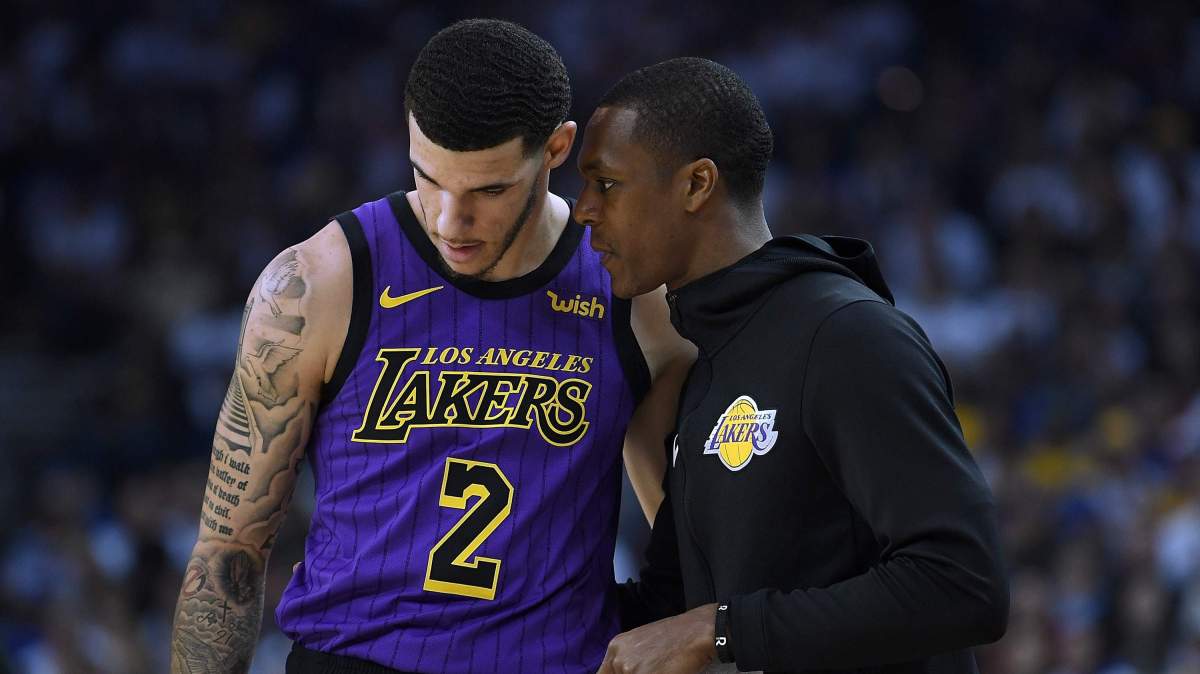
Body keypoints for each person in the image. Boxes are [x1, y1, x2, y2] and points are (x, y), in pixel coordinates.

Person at [168, 20, 692, 674]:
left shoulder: (635, 294)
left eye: (488, 190)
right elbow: (229, 554)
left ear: (557, 149)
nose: (451, 221)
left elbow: (684, 552)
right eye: (430, 179)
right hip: (354, 659)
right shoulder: (316, 284)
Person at [573, 57, 1009, 674]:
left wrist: (720, 630)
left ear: (697, 185)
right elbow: (675, 610)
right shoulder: (707, 363)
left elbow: (963, 584)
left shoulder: (845, 334)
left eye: (606, 183)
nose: (584, 209)